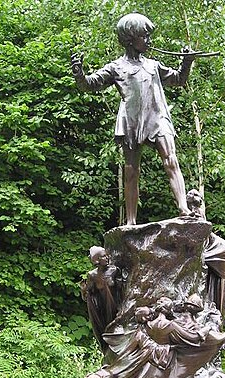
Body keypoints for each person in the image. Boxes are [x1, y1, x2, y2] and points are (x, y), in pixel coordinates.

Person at [71, 12, 196, 225]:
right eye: (144, 36)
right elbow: (90, 85)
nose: (149, 40)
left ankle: (183, 207)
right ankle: (130, 222)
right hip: (132, 121)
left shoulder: (153, 65)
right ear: (130, 39)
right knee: (131, 171)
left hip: (157, 118)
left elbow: (179, 80)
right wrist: (79, 74)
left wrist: (186, 63)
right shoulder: (116, 67)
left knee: (171, 159)